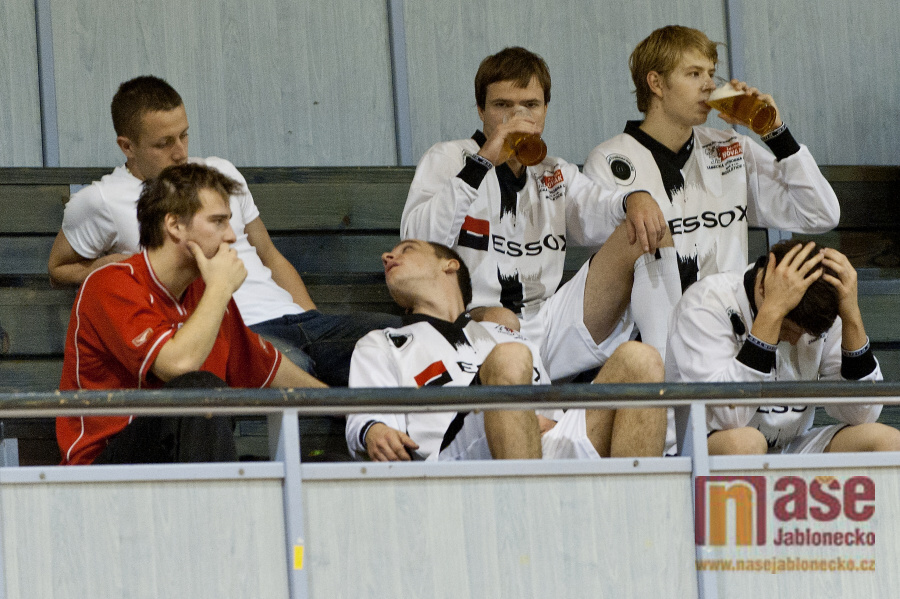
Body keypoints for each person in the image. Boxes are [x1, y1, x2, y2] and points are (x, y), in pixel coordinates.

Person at [402, 47, 681, 456]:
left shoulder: (555, 171)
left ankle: (670, 398)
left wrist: (633, 197)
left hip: (549, 322)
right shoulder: (448, 158)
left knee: (646, 228)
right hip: (478, 323)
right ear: (480, 109)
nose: (517, 117)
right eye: (502, 106)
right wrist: (484, 160)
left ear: (545, 110)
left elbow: (598, 208)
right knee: (500, 321)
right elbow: (418, 239)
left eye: (530, 105)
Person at [47, 75, 399, 387]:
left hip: (292, 317)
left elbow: (268, 255)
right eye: (164, 143)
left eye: (184, 135)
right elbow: (57, 270)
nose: (180, 152)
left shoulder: (218, 174)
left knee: (407, 339)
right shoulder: (102, 199)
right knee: (298, 368)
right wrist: (111, 265)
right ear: (127, 146)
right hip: (237, 331)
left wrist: (313, 320)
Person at [57, 164, 328, 465]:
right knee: (198, 389)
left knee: (315, 467)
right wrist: (220, 288)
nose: (231, 236)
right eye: (218, 222)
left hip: (186, 458)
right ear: (174, 225)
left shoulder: (205, 292)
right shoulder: (111, 284)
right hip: (104, 467)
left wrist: (350, 410)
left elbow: (268, 368)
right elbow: (178, 366)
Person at [345, 240, 665, 461]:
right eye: (389, 253)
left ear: (449, 265)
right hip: (454, 457)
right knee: (510, 357)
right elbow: (367, 418)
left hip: (542, 442)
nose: (387, 256)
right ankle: (524, 519)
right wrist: (373, 430)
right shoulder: (382, 342)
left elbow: (549, 415)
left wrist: (543, 423)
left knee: (641, 359)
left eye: (406, 249)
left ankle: (639, 524)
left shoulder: (504, 333)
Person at [584, 25, 840, 293]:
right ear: (656, 83)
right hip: (652, 319)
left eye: (711, 73)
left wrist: (775, 132)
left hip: (729, 317)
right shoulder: (607, 161)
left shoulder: (732, 148)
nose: (709, 85)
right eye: (694, 74)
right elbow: (606, 279)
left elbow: (820, 215)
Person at [666, 240, 900, 455]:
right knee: (746, 443)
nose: (796, 341)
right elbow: (730, 416)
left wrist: (851, 317)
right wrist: (772, 314)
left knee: (888, 441)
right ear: (762, 289)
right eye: (788, 328)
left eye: (807, 334)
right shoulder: (705, 303)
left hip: (790, 445)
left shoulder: (818, 312)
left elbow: (862, 414)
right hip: (702, 448)